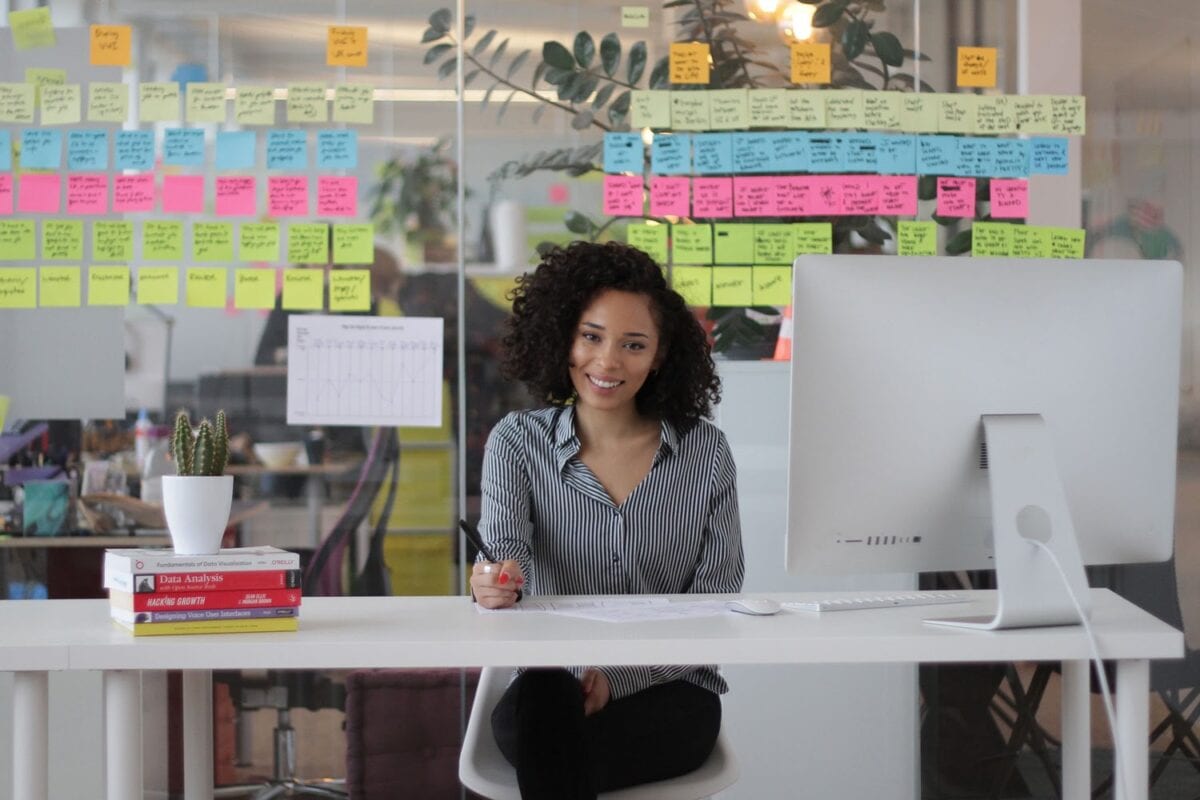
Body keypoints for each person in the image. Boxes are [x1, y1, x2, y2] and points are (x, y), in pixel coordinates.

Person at [469, 240, 745, 799]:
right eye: (591, 336)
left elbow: (714, 602)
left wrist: (617, 681)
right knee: (545, 707)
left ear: (659, 356)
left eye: (633, 345)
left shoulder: (705, 452)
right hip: (553, 687)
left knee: (550, 756)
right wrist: (492, 582)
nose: (607, 362)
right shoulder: (517, 444)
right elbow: (504, 555)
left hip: (669, 694)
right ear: (563, 336)